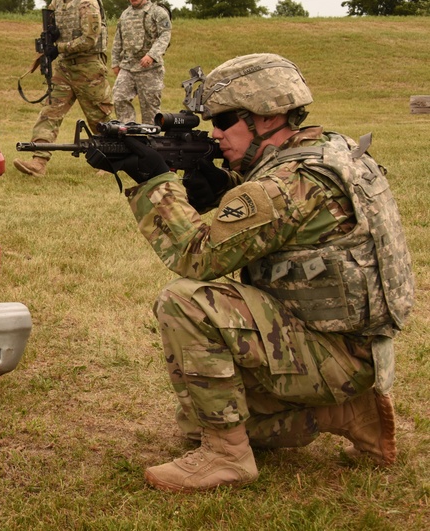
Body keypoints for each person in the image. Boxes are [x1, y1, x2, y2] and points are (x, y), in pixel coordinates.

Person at [86, 53, 414, 492]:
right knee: (194, 418)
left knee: (185, 301)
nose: (215, 134)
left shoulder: (291, 181)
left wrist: (154, 181)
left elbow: (196, 255)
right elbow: (279, 233)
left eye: (224, 121)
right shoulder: (324, 152)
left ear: (268, 115)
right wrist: (221, 189)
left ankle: (227, 456)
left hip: (335, 355)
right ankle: (348, 412)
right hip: (347, 349)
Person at [13, 0, 111, 177]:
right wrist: (50, 40)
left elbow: (90, 40)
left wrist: (60, 47)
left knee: (99, 118)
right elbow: (52, 27)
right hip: (65, 68)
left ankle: (110, 161)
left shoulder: (88, 3)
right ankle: (38, 161)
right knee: (50, 112)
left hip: (89, 69)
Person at [111, 0, 171, 124]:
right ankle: (128, 133)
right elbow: (118, 39)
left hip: (149, 69)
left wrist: (152, 55)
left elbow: (165, 35)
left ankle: (151, 143)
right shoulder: (125, 14)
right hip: (128, 67)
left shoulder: (157, 12)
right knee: (119, 98)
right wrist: (115, 62)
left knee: (150, 111)